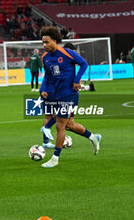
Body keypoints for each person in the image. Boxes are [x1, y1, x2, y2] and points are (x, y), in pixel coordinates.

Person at [39, 26, 101, 168]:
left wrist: (77, 79)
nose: (44, 45)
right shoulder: (45, 57)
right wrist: (43, 89)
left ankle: (55, 158)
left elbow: (84, 64)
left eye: (47, 42)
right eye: (43, 42)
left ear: (54, 41)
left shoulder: (67, 53)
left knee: (60, 125)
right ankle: (93, 137)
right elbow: (47, 75)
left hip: (70, 94)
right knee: (69, 125)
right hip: (56, 94)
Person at [40, 42, 77, 149]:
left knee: (59, 117)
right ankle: (50, 141)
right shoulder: (61, 59)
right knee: (59, 117)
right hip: (54, 92)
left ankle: (49, 140)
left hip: (54, 91)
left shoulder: (54, 58)